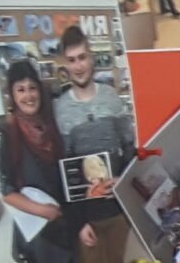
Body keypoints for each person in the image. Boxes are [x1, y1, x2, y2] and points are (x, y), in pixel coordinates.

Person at [0, 58, 94, 263]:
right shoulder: (10, 134)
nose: (28, 95)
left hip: (65, 228)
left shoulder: (54, 126)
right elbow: (7, 192)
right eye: (21, 89)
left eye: (32, 88)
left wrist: (79, 222)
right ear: (12, 95)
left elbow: (67, 180)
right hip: (37, 233)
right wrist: (42, 211)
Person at [52, 24, 134, 197]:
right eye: (71, 60)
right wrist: (84, 192)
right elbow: (66, 164)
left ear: (91, 58)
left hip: (120, 197)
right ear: (65, 65)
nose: (78, 66)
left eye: (82, 57)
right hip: (88, 203)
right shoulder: (62, 108)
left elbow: (129, 146)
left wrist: (123, 180)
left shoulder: (110, 96)